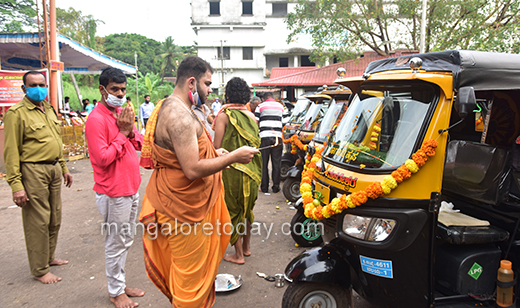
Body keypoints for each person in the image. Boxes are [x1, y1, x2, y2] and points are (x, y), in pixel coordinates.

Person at [138, 56, 258, 308]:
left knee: (192, 274)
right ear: (191, 83)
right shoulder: (179, 116)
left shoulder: (175, 107)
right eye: (207, 83)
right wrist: (234, 157)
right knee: (189, 282)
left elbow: (190, 154)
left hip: (186, 203)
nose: (210, 90)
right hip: (183, 210)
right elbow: (192, 169)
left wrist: (217, 154)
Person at [3, 70, 73, 284]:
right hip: (33, 170)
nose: (39, 88)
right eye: (33, 85)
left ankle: (48, 257)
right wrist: (16, 185)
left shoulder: (49, 109)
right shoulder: (17, 113)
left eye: (42, 84)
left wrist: (64, 167)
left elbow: (55, 141)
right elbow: (11, 151)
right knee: (37, 220)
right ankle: (40, 269)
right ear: (24, 89)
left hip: (53, 169)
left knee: (54, 217)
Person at [85, 68, 145, 308]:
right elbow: (102, 158)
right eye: (114, 90)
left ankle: (119, 284)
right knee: (115, 242)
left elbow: (140, 143)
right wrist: (122, 133)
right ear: (102, 90)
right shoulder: (96, 120)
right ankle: (115, 291)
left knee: (126, 239)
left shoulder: (121, 114)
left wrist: (128, 130)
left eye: (123, 90)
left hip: (130, 188)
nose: (120, 94)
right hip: (113, 192)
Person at [213, 77, 261, 265]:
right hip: (253, 172)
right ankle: (247, 249)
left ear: (227, 95)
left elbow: (217, 147)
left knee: (233, 211)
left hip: (232, 172)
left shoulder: (225, 115)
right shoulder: (251, 116)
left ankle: (238, 254)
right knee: (247, 211)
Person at [255, 92, 284, 193]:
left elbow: (256, 122)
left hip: (264, 138)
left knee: (263, 163)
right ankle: (276, 187)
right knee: (277, 163)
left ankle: (264, 187)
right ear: (273, 98)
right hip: (278, 137)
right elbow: (284, 122)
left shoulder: (260, 106)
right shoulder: (281, 106)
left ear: (263, 98)